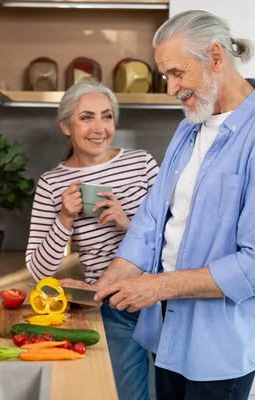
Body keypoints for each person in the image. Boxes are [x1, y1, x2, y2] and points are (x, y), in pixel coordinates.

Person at [61, 10, 255, 400]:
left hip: (221, 346)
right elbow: (151, 220)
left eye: (177, 73)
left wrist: (157, 287)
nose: (171, 88)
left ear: (215, 57)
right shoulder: (189, 126)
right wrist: (107, 282)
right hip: (169, 333)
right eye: (166, 76)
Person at [25, 81, 160, 400]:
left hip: (164, 298)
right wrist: (65, 218)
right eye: (87, 117)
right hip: (112, 305)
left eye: (107, 116)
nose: (99, 128)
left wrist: (126, 222)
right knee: (125, 394)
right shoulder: (52, 183)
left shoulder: (142, 164)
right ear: (65, 126)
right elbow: (39, 271)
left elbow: (175, 236)